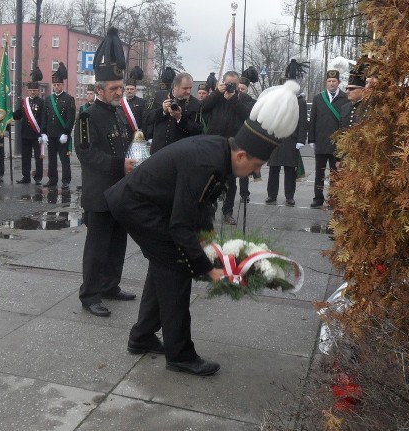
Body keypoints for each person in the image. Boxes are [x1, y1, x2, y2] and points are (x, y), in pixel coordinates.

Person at [105, 99, 298, 375]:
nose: (255, 173)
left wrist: (207, 239)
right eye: (257, 166)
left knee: (163, 267)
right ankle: (180, 355)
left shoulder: (220, 153)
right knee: (176, 269)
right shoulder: (207, 163)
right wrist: (208, 269)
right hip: (137, 207)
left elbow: (202, 203)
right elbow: (180, 225)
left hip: (147, 204)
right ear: (241, 156)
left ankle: (142, 336)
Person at [74, 27, 137, 318]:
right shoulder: (88, 115)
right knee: (97, 247)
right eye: (113, 89)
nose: (118, 92)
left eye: (120, 88)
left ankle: (111, 285)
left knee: (117, 243)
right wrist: (119, 165)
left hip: (120, 191)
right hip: (99, 193)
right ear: (99, 89)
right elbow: (87, 153)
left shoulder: (118, 113)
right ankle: (90, 294)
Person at [199, 70, 253, 224]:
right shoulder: (216, 97)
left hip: (234, 144)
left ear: (238, 85)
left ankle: (227, 212)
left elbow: (248, 115)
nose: (231, 86)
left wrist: (233, 100)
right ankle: (209, 210)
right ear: (222, 82)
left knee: (231, 181)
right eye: (228, 83)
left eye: (234, 84)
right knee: (211, 180)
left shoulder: (244, 98)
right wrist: (217, 93)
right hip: (214, 143)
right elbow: (203, 107)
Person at [307, 69, 349, 208]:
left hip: (337, 143)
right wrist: (311, 139)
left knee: (335, 173)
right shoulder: (319, 98)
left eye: (334, 81)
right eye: (329, 81)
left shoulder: (345, 98)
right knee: (319, 172)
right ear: (326, 82)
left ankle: (333, 199)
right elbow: (312, 120)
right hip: (320, 141)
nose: (331, 84)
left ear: (339, 82)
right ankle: (318, 198)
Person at [265, 83, 308, 206]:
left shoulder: (299, 102)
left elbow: (303, 122)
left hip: (291, 139)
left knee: (290, 170)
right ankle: (271, 195)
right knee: (274, 169)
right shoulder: (274, 101)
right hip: (275, 138)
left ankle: (289, 196)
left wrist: (301, 140)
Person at [147, 72, 202, 154]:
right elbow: (147, 119)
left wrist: (180, 118)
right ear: (175, 86)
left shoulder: (195, 103)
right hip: (158, 151)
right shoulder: (159, 96)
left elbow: (197, 131)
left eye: (190, 88)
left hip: (180, 152)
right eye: (185, 88)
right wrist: (162, 111)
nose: (188, 91)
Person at [43, 62, 75, 189]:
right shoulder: (48, 99)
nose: (56, 87)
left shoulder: (69, 99)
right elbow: (44, 117)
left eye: (58, 85)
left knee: (64, 160)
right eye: (54, 85)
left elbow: (70, 118)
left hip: (62, 135)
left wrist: (66, 133)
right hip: (51, 134)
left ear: (62, 85)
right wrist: (43, 132)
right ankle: (52, 179)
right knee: (52, 160)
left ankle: (66, 180)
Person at [12, 75, 44, 184]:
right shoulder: (23, 102)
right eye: (31, 90)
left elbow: (44, 119)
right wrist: (9, 114)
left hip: (37, 135)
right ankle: (26, 176)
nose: (33, 92)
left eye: (35, 90)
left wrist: (43, 133)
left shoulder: (42, 102)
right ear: (28, 91)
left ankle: (38, 177)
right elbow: (18, 115)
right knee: (25, 157)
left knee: (38, 158)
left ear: (38, 91)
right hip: (25, 134)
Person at [123, 66, 146, 133]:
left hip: (137, 134)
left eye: (132, 89)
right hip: (124, 134)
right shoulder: (120, 103)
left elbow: (144, 120)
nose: (129, 91)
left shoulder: (142, 102)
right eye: (127, 89)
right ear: (125, 90)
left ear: (135, 90)